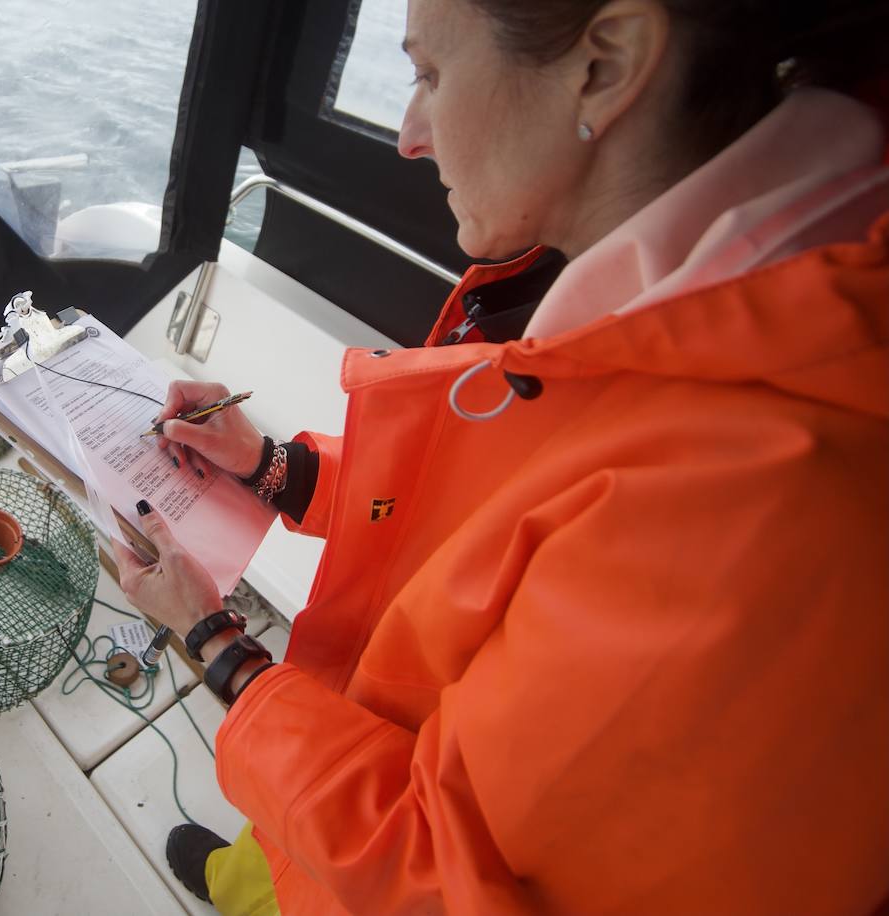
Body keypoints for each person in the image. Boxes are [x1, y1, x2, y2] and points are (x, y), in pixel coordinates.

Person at [112, 0, 889, 912]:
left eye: (430, 75)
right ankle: (249, 878)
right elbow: (474, 516)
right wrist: (273, 465)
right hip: (345, 774)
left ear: (606, 65)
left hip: (367, 861)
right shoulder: (673, 302)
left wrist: (216, 642)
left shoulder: (747, 508)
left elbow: (434, 871)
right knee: (273, 859)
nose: (407, 137)